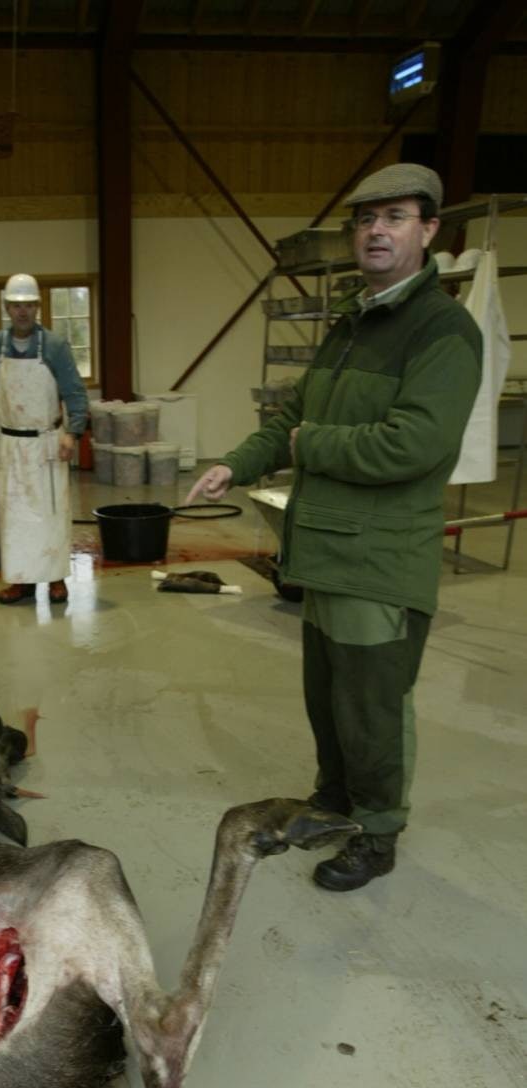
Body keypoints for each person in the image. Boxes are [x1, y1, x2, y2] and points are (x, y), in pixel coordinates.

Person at [189, 163, 483, 891]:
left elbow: (413, 445)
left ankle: (377, 832)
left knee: (373, 705)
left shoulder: (443, 329)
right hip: (323, 549)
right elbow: (293, 417)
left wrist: (307, 447)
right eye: (365, 219)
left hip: (379, 557)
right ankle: (334, 801)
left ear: (428, 229)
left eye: (394, 217)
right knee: (328, 696)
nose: (376, 230)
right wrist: (237, 463)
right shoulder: (352, 320)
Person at [0, 273, 89, 605]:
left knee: (51, 513)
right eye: (16, 305)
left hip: (47, 444)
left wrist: (72, 433)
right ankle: (21, 581)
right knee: (15, 517)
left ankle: (56, 578)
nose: (22, 312)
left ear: (37, 306)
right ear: (6, 307)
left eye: (28, 305)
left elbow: (75, 392)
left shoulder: (55, 347)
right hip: (12, 447)